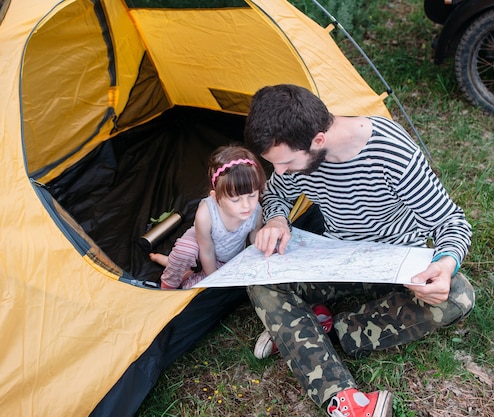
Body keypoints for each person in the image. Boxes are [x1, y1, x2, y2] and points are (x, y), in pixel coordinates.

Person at [243, 84, 475, 417]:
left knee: (458, 295)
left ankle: (320, 330)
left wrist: (446, 262)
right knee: (260, 279)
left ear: (318, 140)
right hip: (338, 259)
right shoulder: (295, 161)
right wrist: (278, 221)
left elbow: (450, 221)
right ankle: (344, 400)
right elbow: (277, 195)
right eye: (275, 164)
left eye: (286, 163)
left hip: (395, 262)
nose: (280, 172)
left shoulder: (391, 153)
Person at [150, 145, 266, 289]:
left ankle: (184, 273)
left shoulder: (256, 211)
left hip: (224, 259)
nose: (246, 205)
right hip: (201, 245)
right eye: (236, 200)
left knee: (197, 289)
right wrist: (213, 278)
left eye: (252, 195)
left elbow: (255, 241)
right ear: (216, 197)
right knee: (184, 252)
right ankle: (169, 281)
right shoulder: (206, 213)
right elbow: (206, 249)